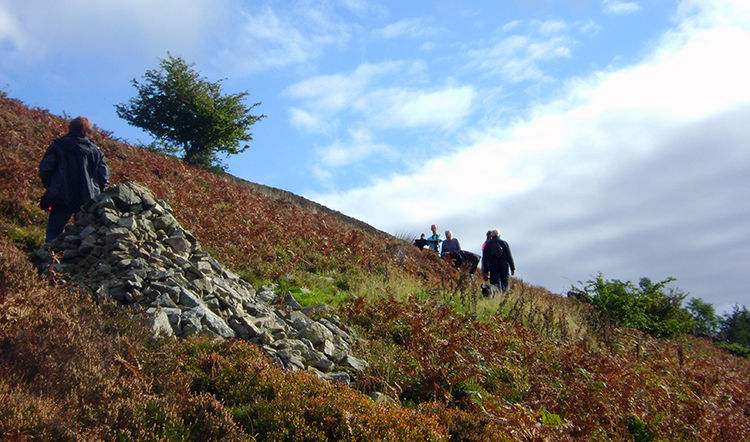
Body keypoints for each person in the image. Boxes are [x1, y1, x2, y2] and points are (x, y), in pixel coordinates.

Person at [39, 116, 109, 243]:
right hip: (87, 198)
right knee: (83, 235)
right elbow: (103, 176)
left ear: (71, 128)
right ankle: (75, 261)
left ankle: (48, 259)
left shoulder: (58, 146)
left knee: (53, 232)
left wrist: (51, 187)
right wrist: (98, 193)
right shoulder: (95, 151)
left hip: (60, 196)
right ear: (86, 130)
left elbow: (45, 169)